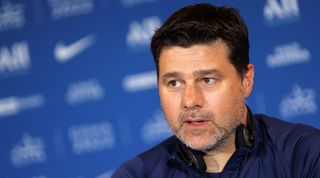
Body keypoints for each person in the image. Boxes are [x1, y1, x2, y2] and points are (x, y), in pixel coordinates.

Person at [112, 3, 320, 178]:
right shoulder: (136, 175)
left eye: (207, 80)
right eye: (174, 83)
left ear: (246, 81)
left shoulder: (304, 155)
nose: (190, 100)